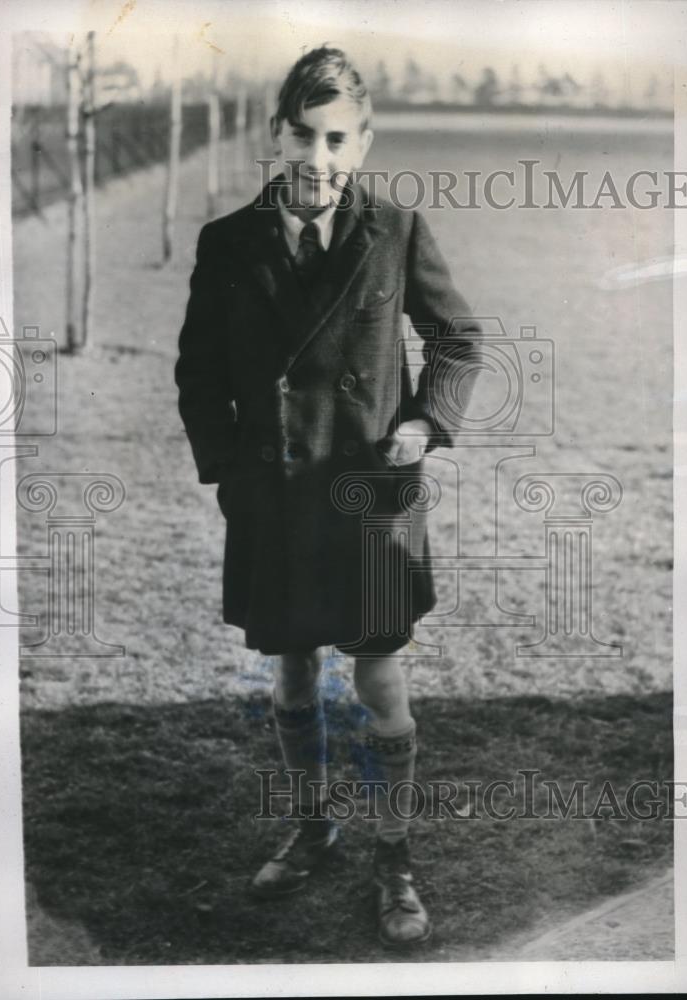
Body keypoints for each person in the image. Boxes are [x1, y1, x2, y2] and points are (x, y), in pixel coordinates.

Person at [174, 45, 482, 950]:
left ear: (364, 144)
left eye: (337, 138)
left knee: (382, 681)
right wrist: (230, 470)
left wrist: (422, 427)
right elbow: (196, 375)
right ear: (275, 135)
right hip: (273, 498)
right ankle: (312, 828)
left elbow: (459, 341)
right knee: (295, 670)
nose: (317, 155)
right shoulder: (226, 241)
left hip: (373, 502)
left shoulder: (396, 229)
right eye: (302, 134)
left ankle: (396, 860)